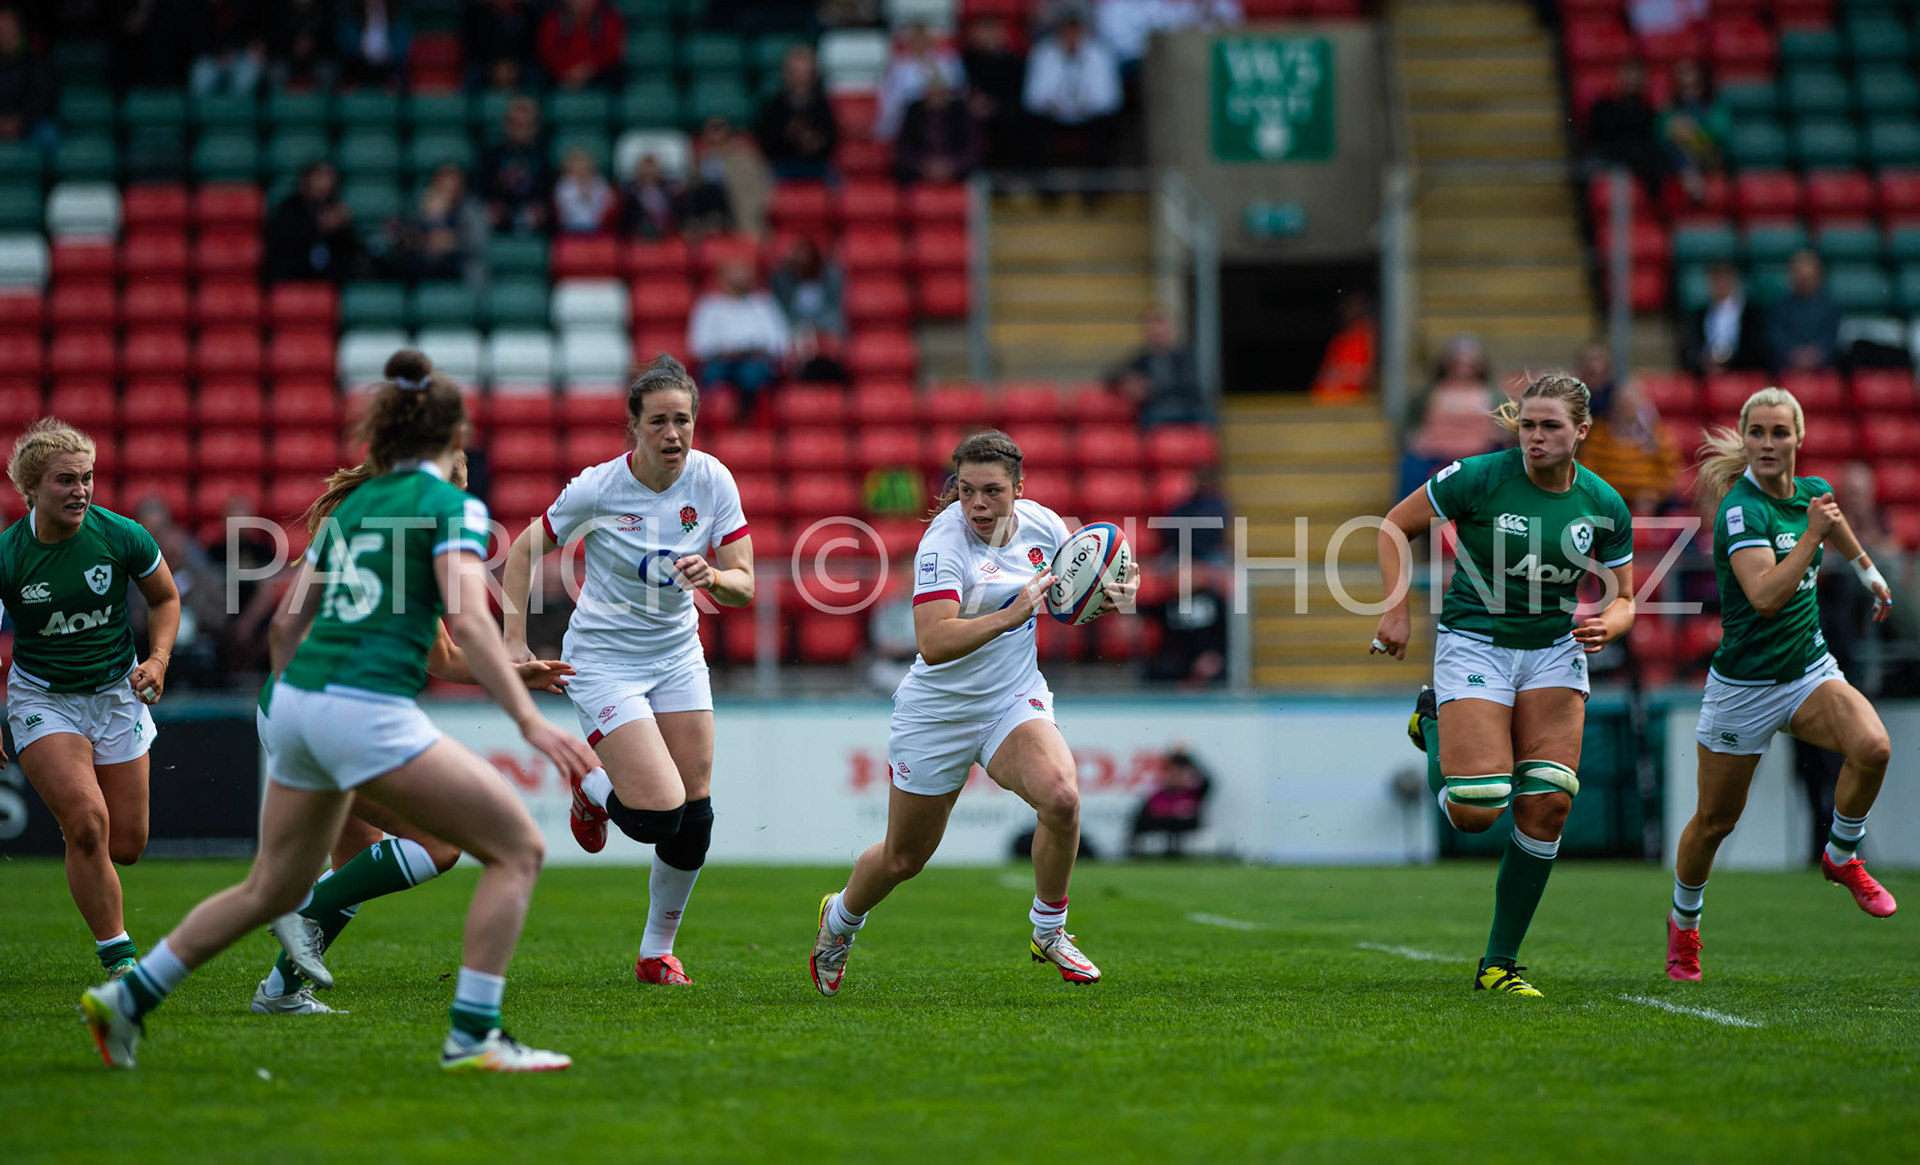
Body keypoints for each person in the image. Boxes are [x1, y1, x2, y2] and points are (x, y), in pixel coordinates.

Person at [80, 350, 601, 1072]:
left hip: (295, 703)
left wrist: (302, 707)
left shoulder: (355, 505)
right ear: (457, 440)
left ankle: (129, 996)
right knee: (517, 847)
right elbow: (472, 623)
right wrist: (528, 722)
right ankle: (474, 1036)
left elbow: (286, 629)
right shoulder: (453, 506)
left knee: (271, 886)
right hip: (362, 710)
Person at [809, 431, 1141, 997]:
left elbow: (1086, 592)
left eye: (991, 491)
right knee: (903, 859)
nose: (978, 505)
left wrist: (1118, 592)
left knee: (1061, 798)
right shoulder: (944, 543)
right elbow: (934, 641)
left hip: (1011, 698)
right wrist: (1010, 616)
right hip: (937, 712)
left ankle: (1050, 930)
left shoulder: (1045, 525)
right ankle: (839, 923)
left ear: (1019, 487)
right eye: (966, 491)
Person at [250, 447, 577, 1016]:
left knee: (359, 858)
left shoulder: (367, 525)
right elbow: (459, 641)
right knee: (441, 844)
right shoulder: (421, 541)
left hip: (290, 705)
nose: (467, 486)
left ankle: (278, 991)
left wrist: (513, 673)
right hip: (335, 715)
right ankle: (295, 909)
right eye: (461, 473)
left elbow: (441, 657)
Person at [1374, 373, 1637, 998]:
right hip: (1476, 645)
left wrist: (1611, 624)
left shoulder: (1604, 504)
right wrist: (1395, 607)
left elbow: (1625, 597)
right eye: (1528, 425)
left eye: (1550, 426)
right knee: (1474, 810)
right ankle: (1434, 717)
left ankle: (1500, 964)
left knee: (1548, 804)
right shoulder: (1480, 476)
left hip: (1553, 652)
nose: (1536, 437)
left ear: (1582, 431)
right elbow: (1393, 526)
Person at [501, 354, 755, 987]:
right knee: (653, 817)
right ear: (634, 428)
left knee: (695, 815)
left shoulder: (713, 479)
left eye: (684, 421)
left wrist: (715, 577)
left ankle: (655, 953)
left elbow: (744, 586)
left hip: (676, 654)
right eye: (659, 423)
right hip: (605, 661)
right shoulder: (599, 487)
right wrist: (513, 642)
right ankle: (591, 791)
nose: (673, 435)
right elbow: (525, 549)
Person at [1665, 388, 1897, 982]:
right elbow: (1766, 598)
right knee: (1715, 823)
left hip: (1807, 673)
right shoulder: (1743, 511)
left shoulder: (1814, 493)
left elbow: (1835, 523)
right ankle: (1684, 928)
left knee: (1873, 747)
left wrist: (1870, 576)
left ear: (1799, 438)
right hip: (1743, 687)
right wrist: (1817, 535)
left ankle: (1842, 856)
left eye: (1778, 432)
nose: (1768, 444)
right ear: (1745, 440)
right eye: (1758, 433)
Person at [1, 419, 181, 982]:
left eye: (88, 478)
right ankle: (121, 959)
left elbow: (166, 598)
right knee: (86, 821)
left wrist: (157, 660)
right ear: (31, 489)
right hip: (43, 699)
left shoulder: (120, 534)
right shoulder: (9, 555)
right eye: (65, 480)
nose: (81, 490)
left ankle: (86, 849)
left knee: (125, 844)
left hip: (116, 695)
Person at [1398, 336, 1506, 499]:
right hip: (1433, 452)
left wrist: (1497, 434)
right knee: (1412, 465)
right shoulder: (1428, 393)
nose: (1463, 369)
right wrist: (1415, 438)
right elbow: (1409, 425)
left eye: (1469, 364)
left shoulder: (1492, 395)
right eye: (1458, 363)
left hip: (1478, 453)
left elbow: (1504, 426)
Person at [1021, 12, 1123, 172]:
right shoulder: (1042, 53)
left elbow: (1110, 100)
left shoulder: (1100, 54)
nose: (1071, 35)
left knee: (1108, 123)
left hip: (1090, 115)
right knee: (1031, 123)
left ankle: (1097, 185)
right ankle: (1045, 185)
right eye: (1066, 30)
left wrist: (1086, 104)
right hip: (1053, 116)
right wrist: (1052, 104)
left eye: (1075, 30)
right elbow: (1032, 98)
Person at [687, 258, 790, 416]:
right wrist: (726, 350)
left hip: (755, 362)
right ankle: (714, 425)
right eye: (737, 274)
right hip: (721, 361)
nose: (744, 278)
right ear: (722, 278)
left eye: (747, 274)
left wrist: (755, 350)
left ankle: (748, 421)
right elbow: (698, 346)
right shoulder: (708, 306)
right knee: (713, 375)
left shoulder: (764, 304)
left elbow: (781, 342)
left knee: (751, 374)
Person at [1578, 375, 1681, 515]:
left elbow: (1670, 472)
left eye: (1632, 404)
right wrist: (1607, 496)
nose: (1626, 409)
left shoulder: (1657, 435)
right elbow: (1588, 471)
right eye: (1622, 404)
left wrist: (1654, 495)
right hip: (1608, 500)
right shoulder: (1599, 434)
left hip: (1648, 502)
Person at [1107, 308, 1209, 428]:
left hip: (1186, 408)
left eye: (1161, 332)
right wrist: (1127, 382)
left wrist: (1150, 388)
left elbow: (1189, 384)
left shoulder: (1184, 356)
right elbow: (1111, 375)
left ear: (1170, 332)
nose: (1157, 335)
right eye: (1154, 333)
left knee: (1207, 419)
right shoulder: (1142, 359)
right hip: (1157, 410)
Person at [264, 161, 360, 284]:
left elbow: (346, 252)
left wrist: (343, 227)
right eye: (319, 177)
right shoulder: (289, 208)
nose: (325, 184)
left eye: (329, 177)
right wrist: (320, 228)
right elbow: (288, 244)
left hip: (328, 280)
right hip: (292, 278)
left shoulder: (336, 210)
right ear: (305, 181)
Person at [753, 44, 838, 181]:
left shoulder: (822, 105)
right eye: (794, 72)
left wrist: (813, 143)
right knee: (762, 181)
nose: (799, 77)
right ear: (786, 73)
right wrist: (789, 136)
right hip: (783, 165)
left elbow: (831, 141)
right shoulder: (774, 106)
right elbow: (766, 143)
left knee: (836, 183)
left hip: (816, 165)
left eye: (803, 72)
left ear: (812, 74)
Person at [395, 163, 488, 283]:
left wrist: (453, 241)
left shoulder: (471, 208)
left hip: (460, 265)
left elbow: (478, 242)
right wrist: (432, 218)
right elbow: (408, 239)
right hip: (425, 266)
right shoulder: (423, 204)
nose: (449, 188)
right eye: (444, 184)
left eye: (454, 184)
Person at [1585, 58, 1665, 199]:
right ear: (1620, 78)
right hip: (1607, 153)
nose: (1632, 83)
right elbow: (1598, 135)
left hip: (1637, 156)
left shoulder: (1646, 110)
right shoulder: (1603, 106)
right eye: (1629, 77)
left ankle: (1656, 206)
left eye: (1636, 79)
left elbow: (1648, 138)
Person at [875, 23, 965, 142]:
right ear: (909, 43)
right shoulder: (898, 66)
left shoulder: (948, 61)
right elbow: (890, 98)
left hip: (942, 116)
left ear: (932, 41)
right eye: (916, 40)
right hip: (908, 119)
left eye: (924, 40)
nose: (921, 44)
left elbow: (959, 91)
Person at [960, 15, 1028, 170]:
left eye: (991, 29)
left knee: (1015, 118)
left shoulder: (1012, 61)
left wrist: (994, 104)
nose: (987, 35)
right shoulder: (966, 58)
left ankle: (1010, 171)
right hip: (971, 107)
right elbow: (960, 86)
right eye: (982, 30)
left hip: (1002, 107)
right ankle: (971, 172)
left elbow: (1016, 92)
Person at [894, 73, 982, 186]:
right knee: (901, 173)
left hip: (955, 166)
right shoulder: (913, 112)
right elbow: (903, 147)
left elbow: (972, 147)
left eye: (939, 92)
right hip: (921, 167)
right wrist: (925, 165)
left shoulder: (961, 112)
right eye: (931, 92)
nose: (935, 96)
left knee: (978, 175)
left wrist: (951, 165)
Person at [1659, 58, 1727, 203]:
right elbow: (1659, 135)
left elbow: (1719, 132)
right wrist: (1674, 131)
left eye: (1694, 86)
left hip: (1708, 156)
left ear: (1703, 85)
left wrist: (1693, 133)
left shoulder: (1713, 107)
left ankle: (1693, 183)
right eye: (1684, 87)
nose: (1689, 91)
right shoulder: (1670, 108)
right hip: (1677, 157)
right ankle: (1693, 185)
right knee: (1675, 148)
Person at [481, 97, 553, 235]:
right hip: (499, 217)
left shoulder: (543, 156)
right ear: (506, 125)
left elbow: (549, 194)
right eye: (516, 124)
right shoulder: (492, 156)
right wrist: (491, 206)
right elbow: (482, 190)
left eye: (526, 125)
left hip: (534, 219)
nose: (521, 130)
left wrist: (543, 209)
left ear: (535, 127)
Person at [1684, 262, 1770, 373]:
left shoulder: (1751, 314)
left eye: (1724, 278)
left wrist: (1729, 363)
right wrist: (1704, 361)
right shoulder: (1699, 315)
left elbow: (1756, 348)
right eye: (1715, 279)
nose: (1720, 284)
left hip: (1741, 372)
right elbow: (1692, 348)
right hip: (1706, 374)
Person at [1127, 746, 1213, 856]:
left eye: (1179, 774)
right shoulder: (1156, 797)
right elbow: (1142, 822)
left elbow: (1209, 781)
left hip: (1186, 842)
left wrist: (1187, 758)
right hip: (1161, 843)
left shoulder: (1193, 794)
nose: (1175, 777)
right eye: (1172, 774)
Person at [1769, 250, 1841, 373]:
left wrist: (1814, 356)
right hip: (1787, 369)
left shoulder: (1830, 308)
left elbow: (1832, 338)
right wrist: (1794, 355)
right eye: (1800, 276)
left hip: (1823, 369)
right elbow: (1776, 337)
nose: (1804, 280)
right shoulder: (1779, 307)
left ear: (1818, 276)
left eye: (1808, 278)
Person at [537, 0, 625, 90]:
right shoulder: (554, 18)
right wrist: (566, 70)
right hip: (560, 73)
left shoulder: (607, 17)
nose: (582, 2)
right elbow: (547, 51)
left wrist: (589, 69)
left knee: (616, 77)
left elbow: (612, 50)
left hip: (597, 73)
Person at [187, 0, 264, 96]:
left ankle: (237, 109)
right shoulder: (196, 9)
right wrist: (218, 53)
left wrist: (235, 52)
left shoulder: (243, 6)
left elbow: (251, 37)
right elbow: (196, 43)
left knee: (247, 72)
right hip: (210, 58)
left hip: (237, 56)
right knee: (202, 74)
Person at [1311, 292, 1376, 404]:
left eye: (1352, 305)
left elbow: (1365, 376)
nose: (1346, 309)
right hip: (1329, 405)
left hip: (1354, 407)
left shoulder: (1369, 336)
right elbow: (1326, 380)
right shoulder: (1341, 339)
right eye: (1346, 305)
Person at [0, 6, 53, 143]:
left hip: (28, 123)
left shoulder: (33, 60)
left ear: (17, 28)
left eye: (8, 25)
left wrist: (21, 121)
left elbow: (42, 98)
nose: (5, 31)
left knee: (48, 134)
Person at [465, 0, 538, 91]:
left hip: (519, 65)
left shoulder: (527, 14)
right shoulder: (478, 15)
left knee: (535, 76)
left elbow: (532, 47)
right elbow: (474, 47)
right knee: (473, 74)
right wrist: (493, 67)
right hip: (488, 65)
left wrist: (514, 67)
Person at [336, 0, 409, 89]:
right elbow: (347, 43)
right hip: (357, 67)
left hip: (389, 68)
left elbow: (401, 46)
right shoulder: (351, 12)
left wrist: (387, 55)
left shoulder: (397, 12)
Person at [552, 147, 617, 236]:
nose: (581, 168)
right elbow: (562, 211)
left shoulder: (601, 184)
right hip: (570, 229)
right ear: (569, 167)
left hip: (598, 229)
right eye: (577, 164)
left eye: (584, 164)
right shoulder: (563, 186)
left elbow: (610, 205)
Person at [620, 153, 684, 240]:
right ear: (638, 171)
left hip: (666, 239)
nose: (648, 172)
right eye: (645, 171)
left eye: (651, 170)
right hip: (637, 240)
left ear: (659, 171)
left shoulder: (671, 192)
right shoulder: (629, 194)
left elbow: (676, 221)